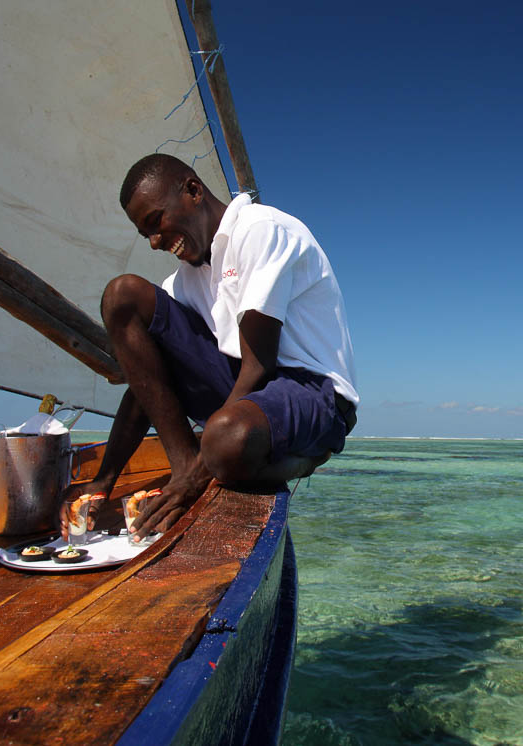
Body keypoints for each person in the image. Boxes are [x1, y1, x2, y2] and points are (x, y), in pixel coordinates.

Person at [61, 154, 358, 539]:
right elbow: (147, 383)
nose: (154, 242)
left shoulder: (259, 230)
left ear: (193, 190)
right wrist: (104, 479)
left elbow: (259, 365)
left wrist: (197, 477)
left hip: (314, 391)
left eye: (156, 222)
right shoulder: (186, 280)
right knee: (124, 296)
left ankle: (304, 459)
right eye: (145, 234)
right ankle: (187, 461)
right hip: (254, 389)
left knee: (223, 439)